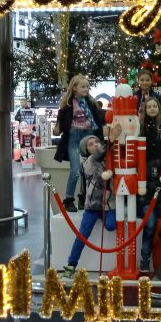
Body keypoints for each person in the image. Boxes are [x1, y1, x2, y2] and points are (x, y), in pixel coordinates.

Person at [62, 136, 116, 278]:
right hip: (93, 206)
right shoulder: (89, 162)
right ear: (85, 150)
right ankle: (71, 264)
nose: (95, 145)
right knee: (82, 235)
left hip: (109, 205)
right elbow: (97, 156)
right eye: (91, 144)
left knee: (111, 225)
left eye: (97, 142)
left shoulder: (109, 159)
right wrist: (109, 141)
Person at [54, 74, 102, 212]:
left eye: (87, 86)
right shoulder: (68, 104)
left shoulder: (91, 103)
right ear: (74, 88)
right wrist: (58, 127)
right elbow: (61, 120)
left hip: (88, 137)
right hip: (74, 138)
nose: (86, 89)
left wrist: (100, 139)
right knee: (75, 170)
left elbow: (98, 120)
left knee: (86, 170)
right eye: (83, 86)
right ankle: (69, 199)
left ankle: (83, 197)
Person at [138, 98, 161, 273]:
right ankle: (144, 259)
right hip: (146, 181)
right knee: (150, 223)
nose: (152, 109)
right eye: (149, 106)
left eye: (154, 106)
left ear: (159, 108)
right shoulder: (141, 128)